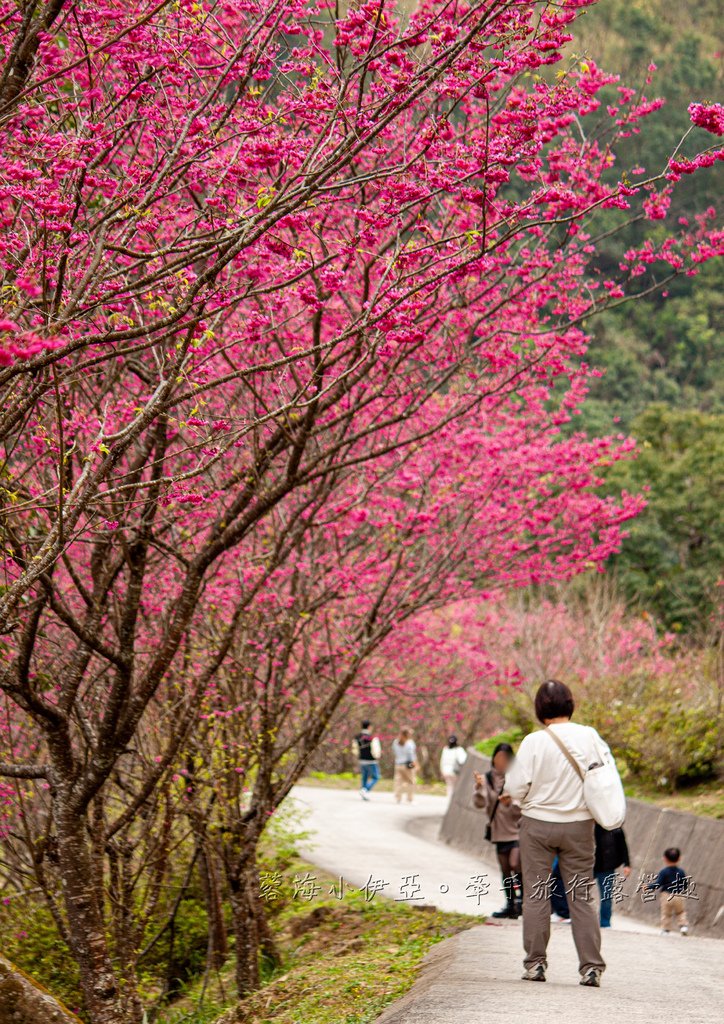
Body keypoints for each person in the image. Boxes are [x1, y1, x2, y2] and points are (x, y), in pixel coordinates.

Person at [503, 679, 620, 988]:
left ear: (540, 709)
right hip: (580, 827)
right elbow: (605, 777)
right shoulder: (590, 736)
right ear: (570, 704)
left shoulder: (532, 742)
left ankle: (536, 964)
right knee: (581, 895)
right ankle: (591, 967)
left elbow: (515, 787)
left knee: (537, 893)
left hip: (537, 825)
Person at [473, 742, 522, 919]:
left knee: (516, 864)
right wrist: (478, 787)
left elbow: (522, 806)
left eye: (505, 758)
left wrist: (511, 804)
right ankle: (510, 904)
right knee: (505, 869)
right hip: (498, 831)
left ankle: (522, 901)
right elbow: (479, 804)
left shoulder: (516, 779)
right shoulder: (486, 779)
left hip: (516, 830)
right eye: (498, 758)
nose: (501, 761)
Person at [647, 847, 691, 935]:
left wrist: (649, 887)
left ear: (665, 859)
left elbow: (658, 883)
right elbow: (685, 884)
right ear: (679, 858)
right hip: (678, 895)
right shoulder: (681, 871)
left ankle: (666, 930)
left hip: (666, 895)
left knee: (666, 914)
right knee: (680, 912)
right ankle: (683, 927)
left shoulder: (664, 872)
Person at [594, 824, 630, 927]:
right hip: (587, 864)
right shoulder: (588, 823)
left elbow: (623, 845)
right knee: (577, 891)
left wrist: (627, 864)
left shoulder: (615, 827)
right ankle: (569, 915)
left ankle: (605, 922)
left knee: (606, 896)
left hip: (606, 867)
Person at [353, 720, 382, 801]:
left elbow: (355, 749)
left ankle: (364, 793)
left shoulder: (357, 737)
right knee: (376, 777)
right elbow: (376, 750)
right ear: (369, 727)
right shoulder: (372, 738)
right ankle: (365, 790)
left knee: (364, 777)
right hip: (371, 761)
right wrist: (377, 757)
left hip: (362, 760)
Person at [391, 727, 417, 803]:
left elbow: (394, 752)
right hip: (407, 764)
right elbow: (411, 755)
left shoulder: (395, 742)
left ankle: (398, 798)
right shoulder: (410, 743)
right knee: (411, 781)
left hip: (398, 764)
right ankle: (410, 798)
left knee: (398, 781)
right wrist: (414, 763)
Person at [440, 735, 467, 800]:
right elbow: (463, 760)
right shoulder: (459, 749)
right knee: (456, 786)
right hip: (455, 771)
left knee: (449, 786)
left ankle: (449, 800)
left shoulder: (445, 749)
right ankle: (454, 800)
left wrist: (442, 771)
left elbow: (442, 761)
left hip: (446, 771)